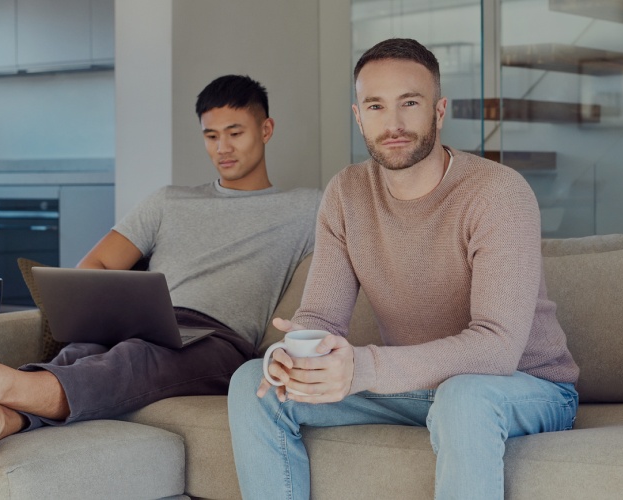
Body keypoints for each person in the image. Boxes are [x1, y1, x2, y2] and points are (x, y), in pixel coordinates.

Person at [228, 38, 580, 499]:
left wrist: (363, 367)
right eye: (375, 106)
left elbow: (496, 350)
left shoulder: (498, 193)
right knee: (252, 381)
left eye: (409, 103)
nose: (392, 124)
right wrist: (293, 357)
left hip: (522, 388)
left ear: (438, 111)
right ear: (359, 117)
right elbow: (320, 319)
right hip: (414, 387)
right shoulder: (346, 194)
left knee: (463, 397)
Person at [0, 74, 322, 467]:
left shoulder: (307, 207)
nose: (222, 148)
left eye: (235, 133)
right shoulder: (168, 201)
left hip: (220, 341)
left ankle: (5, 383)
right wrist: (102, 317)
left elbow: (371, 228)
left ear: (266, 129)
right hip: (146, 320)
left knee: (135, 359)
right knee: (82, 352)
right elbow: (96, 265)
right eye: (211, 136)